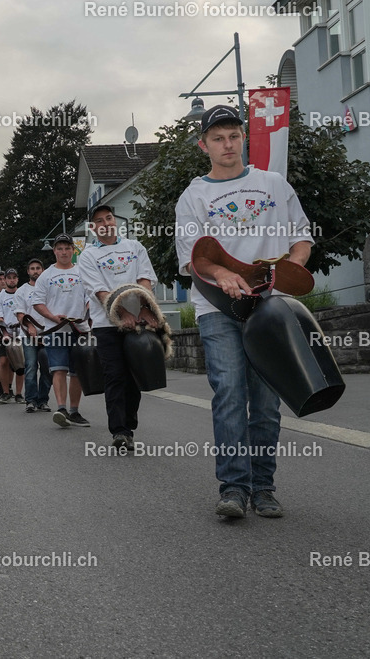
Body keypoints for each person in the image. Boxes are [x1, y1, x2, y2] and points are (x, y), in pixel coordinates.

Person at [175, 105, 314, 519]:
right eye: (218, 138)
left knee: (267, 400)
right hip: (217, 307)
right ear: (204, 145)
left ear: (244, 139)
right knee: (230, 393)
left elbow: (301, 239)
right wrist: (222, 273)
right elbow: (195, 260)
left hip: (269, 307)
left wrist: (293, 267)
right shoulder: (193, 197)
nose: (228, 144)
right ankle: (233, 488)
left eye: (234, 135)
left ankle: (263, 486)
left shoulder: (273, 183)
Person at [78, 203, 158, 451]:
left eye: (109, 218)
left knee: (134, 377)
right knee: (114, 375)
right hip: (107, 325)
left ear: (115, 221)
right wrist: (122, 313)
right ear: (93, 227)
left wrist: (143, 308)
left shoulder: (135, 247)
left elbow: (145, 279)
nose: (105, 223)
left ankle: (129, 424)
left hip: (137, 322)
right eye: (99, 221)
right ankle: (119, 431)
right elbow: (99, 290)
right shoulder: (88, 255)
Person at [32, 234, 91, 428]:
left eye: (67, 248)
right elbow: (38, 302)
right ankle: (61, 408)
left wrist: (88, 311)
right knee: (58, 369)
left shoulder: (83, 272)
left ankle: (74, 411)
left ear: (73, 251)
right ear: (54, 251)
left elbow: (91, 296)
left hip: (79, 329)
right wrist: (52, 317)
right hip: (55, 330)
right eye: (60, 248)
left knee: (77, 372)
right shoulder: (46, 275)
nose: (64, 252)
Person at [15, 259, 52, 413]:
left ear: (43, 270)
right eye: (32, 269)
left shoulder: (50, 288)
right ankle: (30, 400)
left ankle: (43, 400)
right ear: (28, 272)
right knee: (30, 367)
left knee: (47, 369)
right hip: (28, 335)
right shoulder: (21, 291)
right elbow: (20, 314)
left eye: (38, 268)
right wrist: (30, 326)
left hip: (48, 333)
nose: (35, 271)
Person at [0, 268, 23, 404]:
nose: (11, 280)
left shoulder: (22, 294)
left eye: (14, 277)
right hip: (5, 330)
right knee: (3, 361)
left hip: (21, 330)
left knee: (20, 363)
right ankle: (5, 391)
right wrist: (5, 333)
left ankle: (19, 394)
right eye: (8, 277)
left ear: (17, 279)